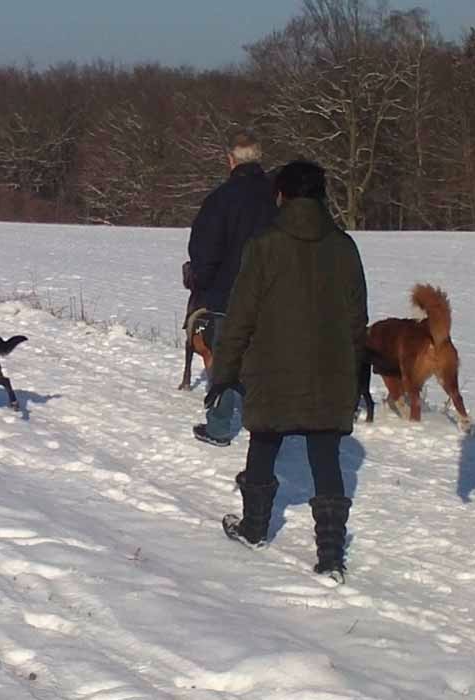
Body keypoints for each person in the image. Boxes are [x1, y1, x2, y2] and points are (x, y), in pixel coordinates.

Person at [211, 161, 368, 582]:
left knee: (263, 441)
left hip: (272, 369)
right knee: (325, 454)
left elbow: (240, 315)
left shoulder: (264, 245)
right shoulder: (345, 246)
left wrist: (223, 373)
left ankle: (255, 528)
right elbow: (358, 322)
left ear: (281, 196)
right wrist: (357, 379)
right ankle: (331, 556)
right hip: (331, 371)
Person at [188, 132, 279, 447]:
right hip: (271, 295)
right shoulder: (277, 198)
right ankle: (269, 428)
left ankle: (220, 427)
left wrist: (201, 283)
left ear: (231, 160)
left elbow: (203, 251)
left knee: (226, 361)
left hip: (227, 295)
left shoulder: (220, 199)